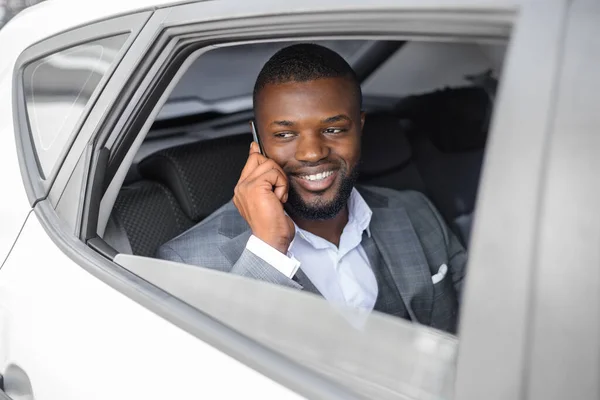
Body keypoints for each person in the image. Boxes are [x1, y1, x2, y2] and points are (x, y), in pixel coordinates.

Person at [157, 43, 467, 333]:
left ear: (359, 128)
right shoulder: (188, 263)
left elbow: (485, 318)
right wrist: (268, 251)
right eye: (284, 135)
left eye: (333, 130)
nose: (312, 153)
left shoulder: (416, 210)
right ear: (257, 138)